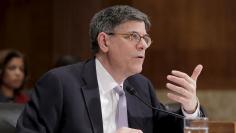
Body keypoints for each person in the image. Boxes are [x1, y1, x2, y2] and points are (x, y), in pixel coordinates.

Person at [16, 5, 205, 133]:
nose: (143, 46)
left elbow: (169, 129)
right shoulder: (60, 84)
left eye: (145, 38)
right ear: (105, 41)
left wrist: (190, 109)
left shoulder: (140, 86)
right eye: (133, 36)